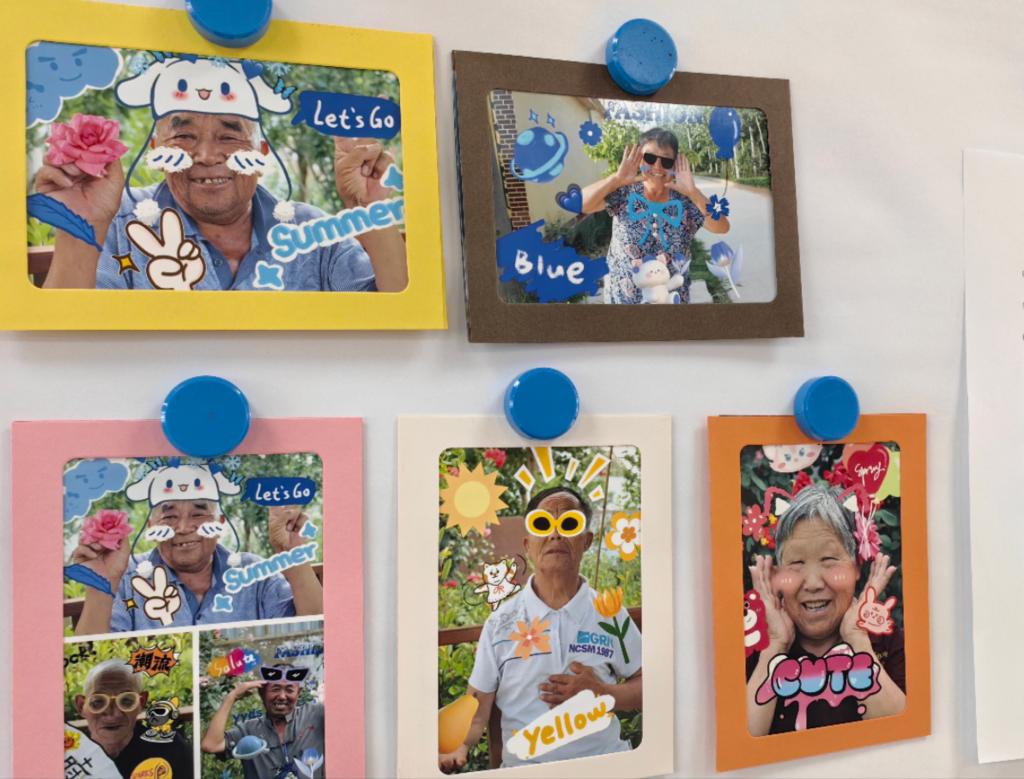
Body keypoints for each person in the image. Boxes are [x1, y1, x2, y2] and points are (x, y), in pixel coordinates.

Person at [36, 112, 407, 291]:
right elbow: (63, 347)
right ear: (156, 151)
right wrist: (80, 225)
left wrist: (373, 211)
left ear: (261, 155)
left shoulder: (313, 234)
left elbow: (399, 333)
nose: (207, 155)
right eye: (183, 136)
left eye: (230, 137)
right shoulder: (120, 224)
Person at [438, 487, 642, 772]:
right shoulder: (501, 623)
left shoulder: (611, 614)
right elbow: (477, 709)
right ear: (527, 543)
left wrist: (604, 693)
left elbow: (647, 685)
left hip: (606, 768)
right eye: (543, 524)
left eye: (568, 524)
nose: (555, 534)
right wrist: (456, 745)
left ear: (586, 541)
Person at [70, 463, 323, 635]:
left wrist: (294, 556)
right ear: (151, 526)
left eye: (198, 513)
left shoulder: (254, 573)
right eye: (169, 516)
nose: (183, 528)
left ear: (220, 523)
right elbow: (94, 658)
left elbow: (315, 632)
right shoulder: (128, 576)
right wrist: (101, 584)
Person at [745, 484, 906, 735]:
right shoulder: (754, 647)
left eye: (829, 560)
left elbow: (904, 737)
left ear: (856, 568)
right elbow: (739, 744)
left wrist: (858, 640)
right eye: (796, 563)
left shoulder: (887, 641)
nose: (813, 583)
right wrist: (775, 647)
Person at [580, 127, 731, 304]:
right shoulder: (623, 193)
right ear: (639, 159)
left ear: (675, 165)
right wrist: (615, 180)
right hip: (623, 301)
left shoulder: (686, 200)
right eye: (650, 158)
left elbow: (722, 227)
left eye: (666, 161)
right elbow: (582, 204)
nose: (657, 166)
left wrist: (693, 192)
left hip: (671, 300)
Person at [70, 658, 193, 778]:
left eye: (126, 701)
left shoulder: (171, 748)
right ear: (81, 706)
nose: (114, 713)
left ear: (141, 702)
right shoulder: (68, 757)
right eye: (98, 701)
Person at [201, 665, 325, 779]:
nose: (282, 696)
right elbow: (211, 745)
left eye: (289, 690)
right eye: (275, 689)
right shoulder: (248, 730)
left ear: (298, 693)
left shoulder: (315, 714)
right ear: (262, 693)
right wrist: (232, 696)